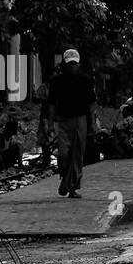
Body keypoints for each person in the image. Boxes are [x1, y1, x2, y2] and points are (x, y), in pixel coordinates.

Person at [48, 49, 97, 198]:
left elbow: (92, 103)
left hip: (80, 119)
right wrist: (50, 124)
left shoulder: (86, 80)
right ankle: (66, 181)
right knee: (63, 154)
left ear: (79, 64)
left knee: (77, 154)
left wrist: (93, 122)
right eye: (70, 64)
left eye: (75, 64)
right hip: (62, 120)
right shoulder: (56, 81)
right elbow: (51, 104)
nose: (72, 67)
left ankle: (71, 187)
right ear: (64, 64)